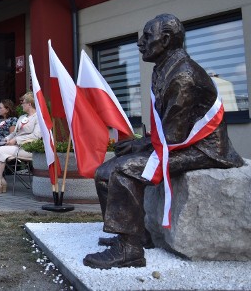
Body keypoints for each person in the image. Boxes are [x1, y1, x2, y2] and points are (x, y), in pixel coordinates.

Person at [83, 14, 245, 270]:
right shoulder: (164, 68)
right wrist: (140, 143)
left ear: (166, 40)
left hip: (206, 150)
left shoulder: (183, 76)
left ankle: (130, 251)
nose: (140, 43)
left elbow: (173, 137)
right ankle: (135, 235)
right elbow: (168, 129)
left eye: (147, 37)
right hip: (182, 143)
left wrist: (138, 145)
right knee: (104, 172)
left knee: (124, 170)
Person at [0, 92, 41, 194]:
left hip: (28, 148)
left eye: (23, 102)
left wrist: (17, 140)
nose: (21, 104)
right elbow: (15, 133)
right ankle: (1, 180)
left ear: (29, 104)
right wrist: (6, 139)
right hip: (16, 147)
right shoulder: (22, 117)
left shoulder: (38, 117)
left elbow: (36, 136)